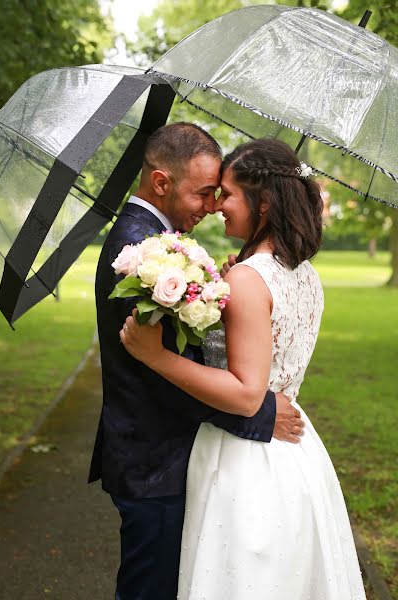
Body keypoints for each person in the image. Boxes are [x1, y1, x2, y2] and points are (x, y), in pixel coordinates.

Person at [121, 137, 367, 599]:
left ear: (264, 201)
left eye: (229, 194)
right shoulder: (301, 272)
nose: (218, 206)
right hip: (296, 455)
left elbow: (247, 394)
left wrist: (156, 356)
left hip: (246, 463)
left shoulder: (249, 278)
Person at [89, 123, 304, 600]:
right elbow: (159, 371)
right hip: (154, 462)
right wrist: (261, 412)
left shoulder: (156, 239)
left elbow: (182, 349)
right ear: (161, 182)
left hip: (165, 458)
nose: (210, 208)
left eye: (218, 195)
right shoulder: (139, 252)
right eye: (204, 193)